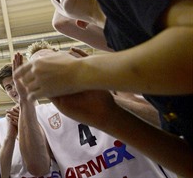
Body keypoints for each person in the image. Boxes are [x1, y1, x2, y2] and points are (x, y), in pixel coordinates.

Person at [15, 0, 193, 176]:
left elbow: (60, 23)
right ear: (81, 22)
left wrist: (79, 72)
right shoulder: (132, 46)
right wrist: (107, 116)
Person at [16, 41, 176, 178]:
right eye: (37, 67)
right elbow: (37, 167)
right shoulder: (40, 114)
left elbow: (161, 119)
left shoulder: (109, 82)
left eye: (50, 60)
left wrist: (103, 89)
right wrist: (25, 100)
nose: (47, 69)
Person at [0, 61, 61, 178]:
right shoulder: (1, 126)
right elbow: (1, 174)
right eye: (8, 87)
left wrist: (29, 127)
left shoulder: (52, 113)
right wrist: (10, 136)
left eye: (16, 82)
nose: (15, 89)